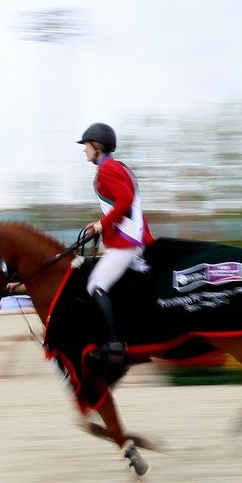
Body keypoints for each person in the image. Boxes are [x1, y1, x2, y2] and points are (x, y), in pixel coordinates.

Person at [77, 122, 154, 366]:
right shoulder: (114, 166)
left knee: (96, 285)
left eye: (86, 146)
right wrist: (101, 223)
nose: (84, 150)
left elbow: (125, 200)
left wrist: (103, 223)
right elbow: (119, 204)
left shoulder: (108, 168)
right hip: (129, 239)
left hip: (127, 242)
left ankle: (114, 344)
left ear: (97, 147)